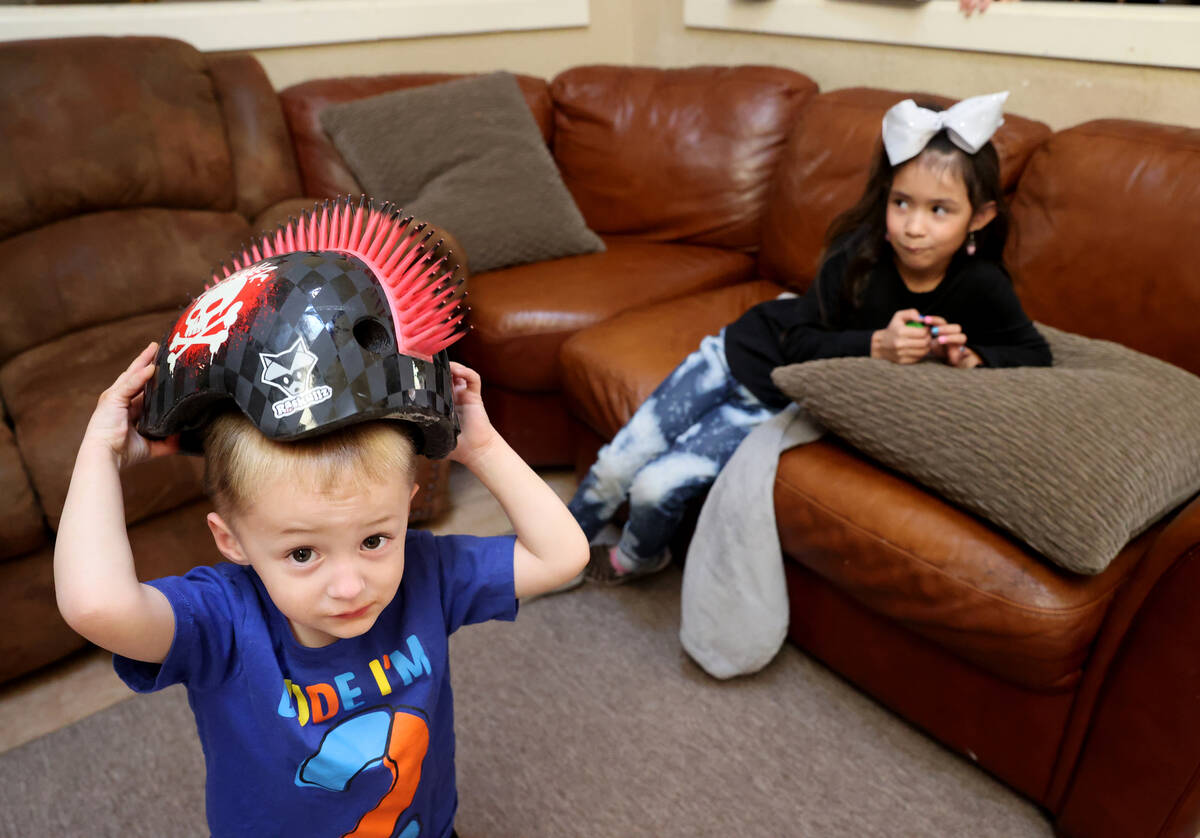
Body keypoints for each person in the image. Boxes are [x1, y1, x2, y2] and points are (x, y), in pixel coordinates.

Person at [53, 199, 589, 838]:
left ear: (411, 503)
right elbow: (95, 605)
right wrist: (99, 450)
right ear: (232, 541)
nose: (349, 585)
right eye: (302, 553)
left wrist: (482, 447)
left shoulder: (426, 574)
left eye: (373, 539)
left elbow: (563, 555)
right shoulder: (224, 620)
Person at [568, 91, 1052, 585]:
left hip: (779, 404)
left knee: (654, 487)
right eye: (901, 202)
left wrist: (971, 356)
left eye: (939, 210)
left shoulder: (983, 285)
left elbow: (1034, 354)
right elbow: (796, 343)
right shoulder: (856, 255)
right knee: (618, 463)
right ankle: (557, 550)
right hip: (741, 352)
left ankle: (636, 560)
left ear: (980, 217)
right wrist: (875, 347)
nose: (913, 227)